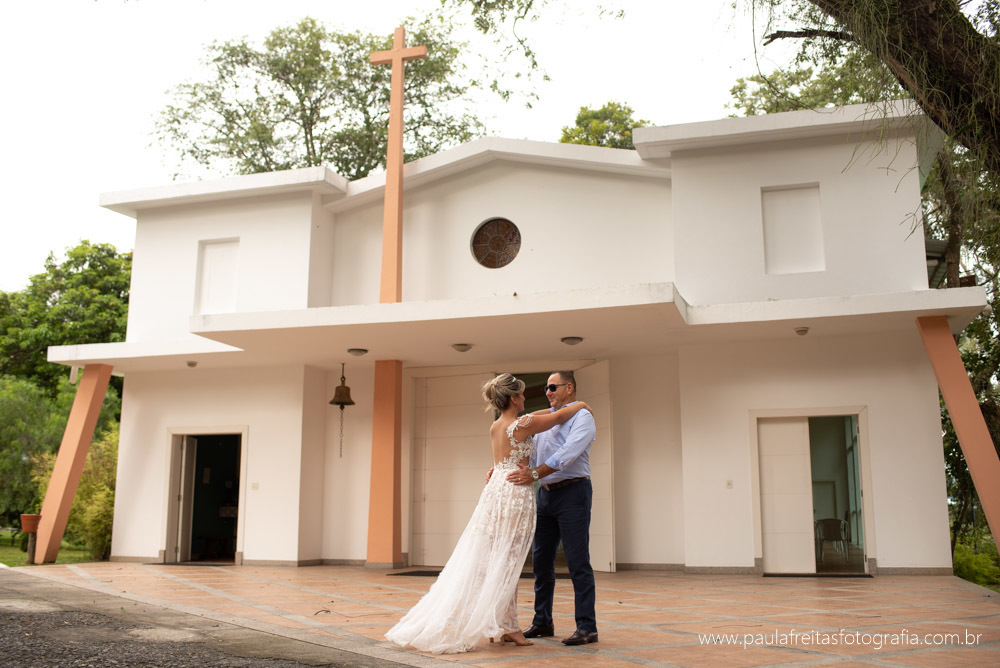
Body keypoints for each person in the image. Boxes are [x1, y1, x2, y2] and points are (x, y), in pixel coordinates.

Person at [385, 374, 591, 654]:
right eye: (526, 394)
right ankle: (509, 625)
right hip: (516, 493)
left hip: (501, 490)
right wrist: (582, 404)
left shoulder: (497, 425)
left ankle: (520, 624)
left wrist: (502, 469)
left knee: (501, 559)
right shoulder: (524, 424)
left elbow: (549, 424)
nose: (544, 393)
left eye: (551, 387)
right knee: (510, 561)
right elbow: (554, 418)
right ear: (516, 398)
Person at [507, 370, 598, 645]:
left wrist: (534, 475)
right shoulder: (546, 419)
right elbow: (531, 453)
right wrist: (502, 470)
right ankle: (542, 622)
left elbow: (568, 455)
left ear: (569, 387)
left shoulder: (583, 417)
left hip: (573, 493)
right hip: (545, 495)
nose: (548, 392)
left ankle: (587, 627)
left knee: (577, 561)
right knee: (541, 561)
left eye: (553, 387)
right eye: (546, 388)